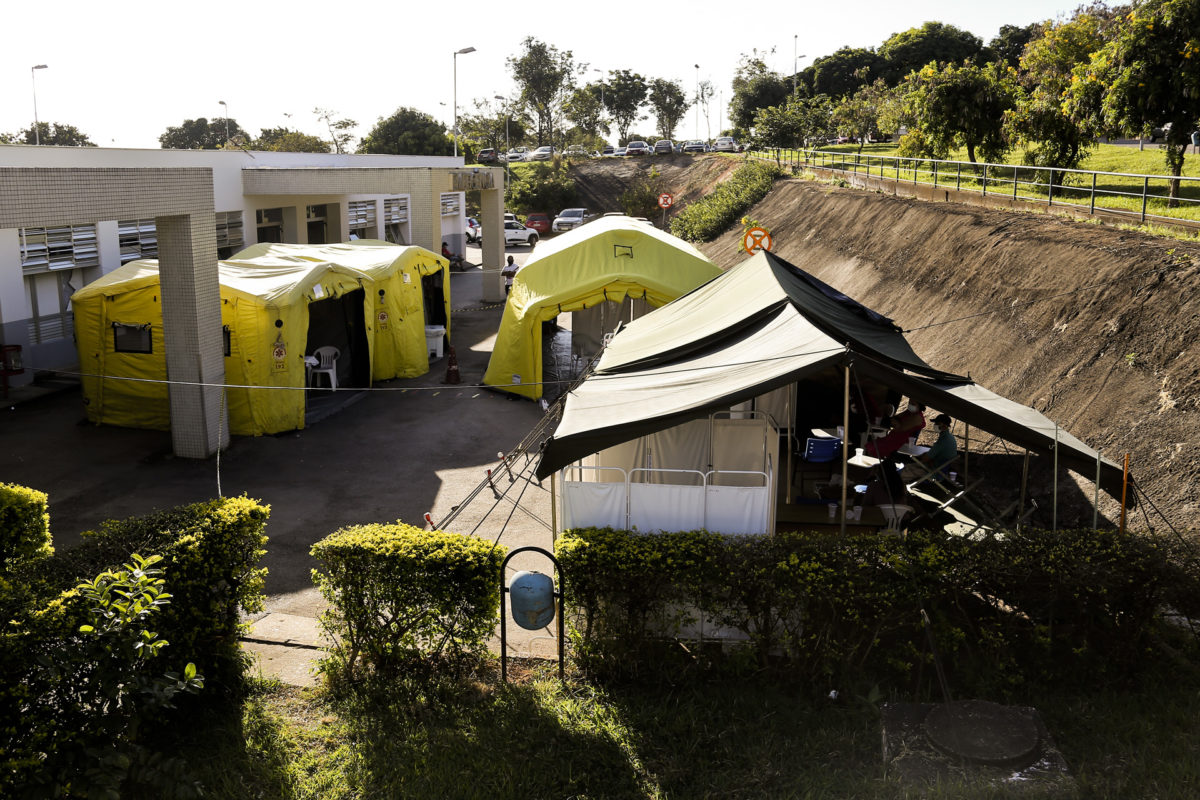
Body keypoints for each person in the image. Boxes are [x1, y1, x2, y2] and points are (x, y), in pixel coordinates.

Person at [901, 414, 957, 483]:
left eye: (937, 423)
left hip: (935, 472)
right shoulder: (949, 437)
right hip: (939, 468)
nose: (935, 425)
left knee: (907, 471)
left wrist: (924, 457)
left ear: (944, 426)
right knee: (909, 466)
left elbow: (925, 459)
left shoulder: (943, 440)